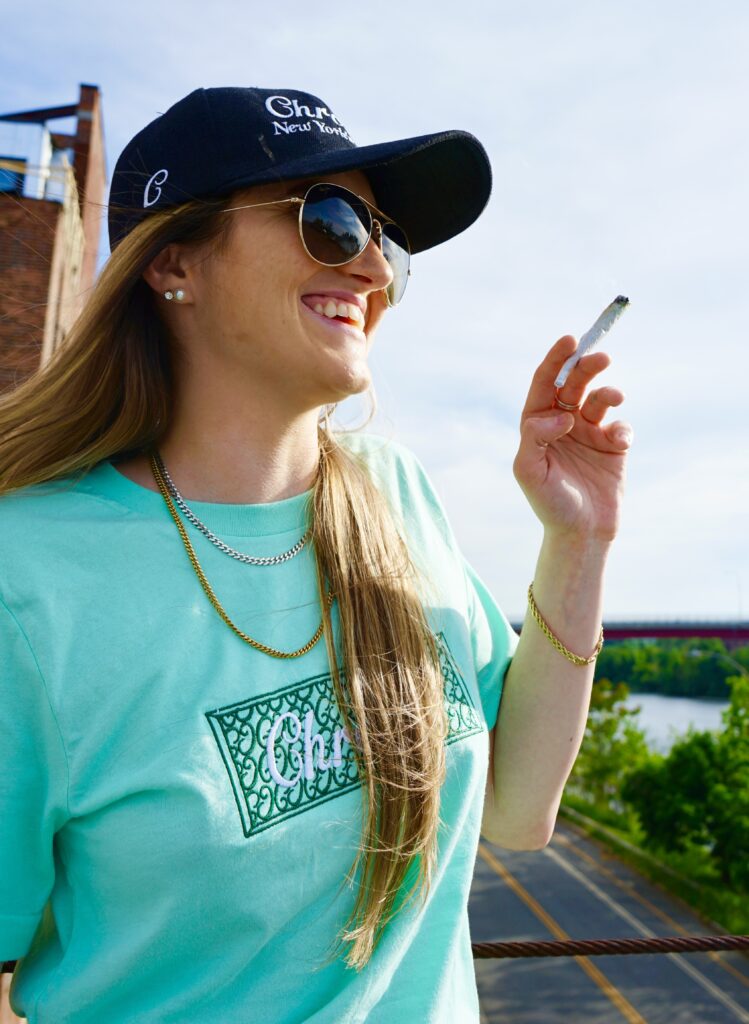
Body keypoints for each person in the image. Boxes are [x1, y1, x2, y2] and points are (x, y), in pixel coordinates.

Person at [0, 86, 632, 1023]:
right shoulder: (28, 578)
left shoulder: (398, 493)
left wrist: (577, 540)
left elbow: (514, 811)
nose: (374, 267)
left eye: (385, 239)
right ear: (174, 262)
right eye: (331, 222)